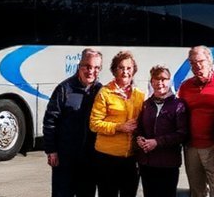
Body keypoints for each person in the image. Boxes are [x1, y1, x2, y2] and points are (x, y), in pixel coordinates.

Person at [44, 48, 104, 197]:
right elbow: (50, 120)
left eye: (96, 68)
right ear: (79, 66)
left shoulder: (100, 91)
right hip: (65, 159)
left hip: (89, 160)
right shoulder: (64, 89)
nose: (91, 71)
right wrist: (51, 150)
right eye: (87, 66)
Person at [89, 50, 146, 197]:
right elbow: (94, 124)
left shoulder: (139, 95)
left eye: (129, 68)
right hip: (107, 157)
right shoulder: (105, 93)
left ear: (134, 71)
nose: (125, 72)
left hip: (131, 158)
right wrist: (119, 127)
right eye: (121, 68)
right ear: (114, 70)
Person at [178, 45, 214, 197]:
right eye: (192, 63)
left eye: (200, 61)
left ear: (210, 61)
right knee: (196, 190)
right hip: (191, 147)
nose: (197, 66)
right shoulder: (185, 87)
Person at [135, 64, 189, 197]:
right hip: (147, 163)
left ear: (169, 81)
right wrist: (139, 138)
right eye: (156, 79)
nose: (160, 83)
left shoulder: (179, 105)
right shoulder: (147, 104)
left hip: (168, 163)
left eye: (164, 79)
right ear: (151, 82)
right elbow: (140, 128)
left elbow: (182, 133)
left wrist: (157, 142)